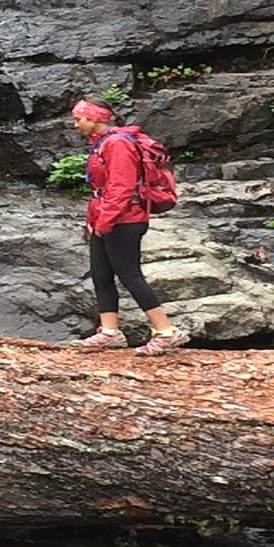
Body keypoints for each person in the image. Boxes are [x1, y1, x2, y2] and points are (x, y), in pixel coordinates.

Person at [70, 97, 188, 355]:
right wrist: (95, 221)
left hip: (125, 219)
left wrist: (104, 221)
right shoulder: (102, 143)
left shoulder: (117, 144)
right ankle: (110, 332)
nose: (76, 124)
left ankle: (166, 332)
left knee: (129, 274)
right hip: (107, 217)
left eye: (79, 119)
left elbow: (121, 188)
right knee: (101, 274)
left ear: (95, 118)